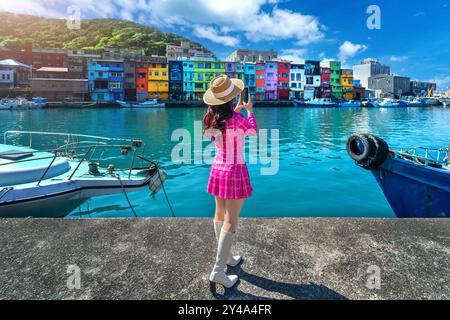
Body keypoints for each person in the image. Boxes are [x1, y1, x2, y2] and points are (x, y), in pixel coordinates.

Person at [202, 75, 258, 288]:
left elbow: (225, 122)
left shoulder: (210, 118)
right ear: (232, 98)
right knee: (231, 221)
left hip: (218, 169)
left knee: (219, 214)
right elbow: (252, 130)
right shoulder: (238, 119)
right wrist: (249, 111)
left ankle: (226, 257)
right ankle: (218, 271)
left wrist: (236, 110)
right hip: (235, 170)